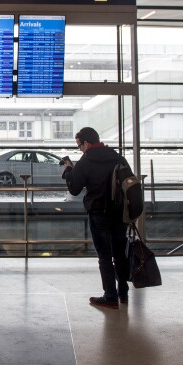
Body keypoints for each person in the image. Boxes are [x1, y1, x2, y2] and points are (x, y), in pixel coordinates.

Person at [62, 126, 130, 309]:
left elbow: (74, 189)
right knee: (119, 254)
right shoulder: (116, 156)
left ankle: (110, 297)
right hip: (119, 212)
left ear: (86, 143)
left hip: (98, 212)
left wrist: (69, 169)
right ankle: (123, 293)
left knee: (105, 256)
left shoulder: (87, 160)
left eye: (79, 146)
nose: (80, 149)